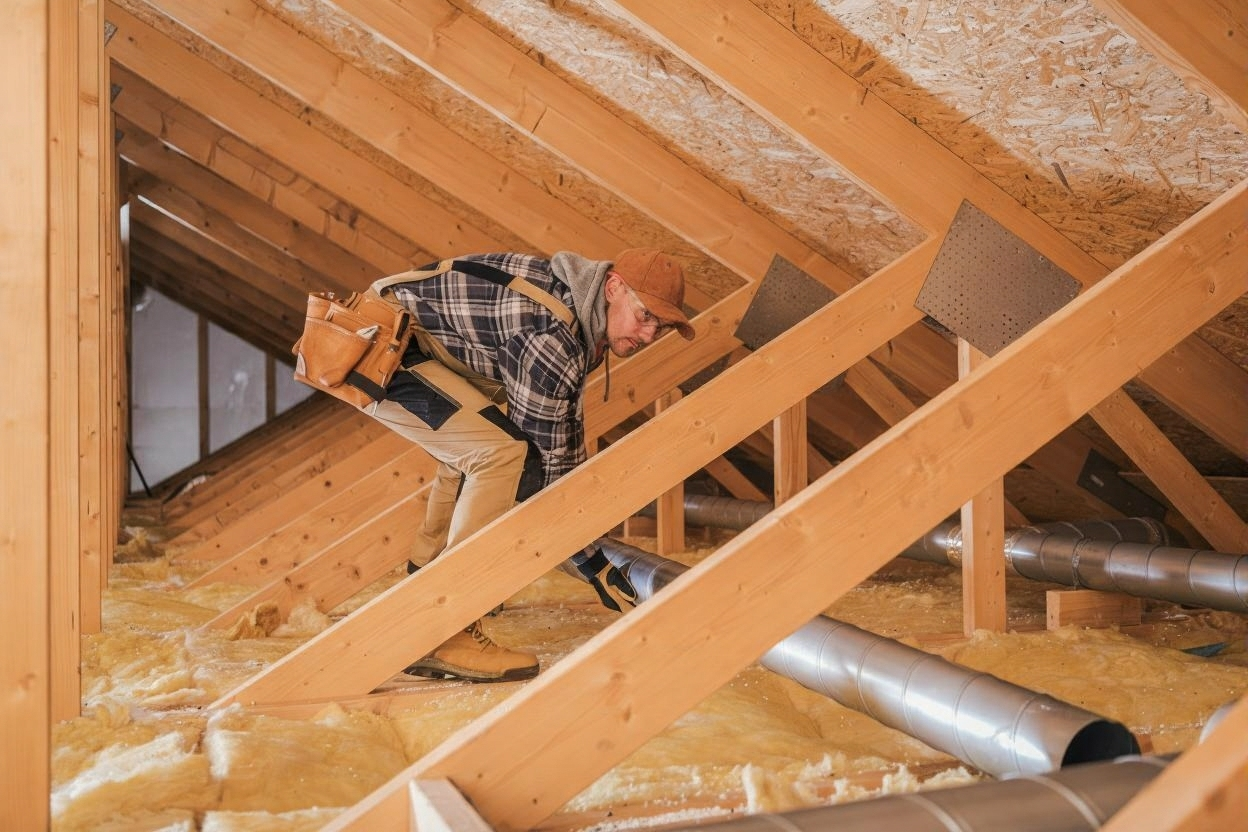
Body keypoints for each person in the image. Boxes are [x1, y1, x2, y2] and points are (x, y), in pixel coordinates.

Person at [364, 248, 695, 682]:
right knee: (501, 456)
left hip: (394, 337)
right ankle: (444, 627)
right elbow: (551, 468)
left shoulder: (575, 310)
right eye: (645, 316)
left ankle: (422, 588)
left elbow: (565, 437)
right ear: (613, 287)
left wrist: (589, 550)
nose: (650, 335)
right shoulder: (551, 335)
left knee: (481, 450)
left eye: (661, 326)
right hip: (376, 343)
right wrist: (592, 561)